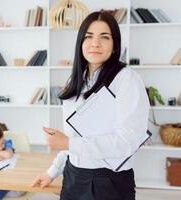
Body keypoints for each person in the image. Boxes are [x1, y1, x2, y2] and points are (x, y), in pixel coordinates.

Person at [31, 11, 150, 200]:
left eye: (104, 37)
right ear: (80, 42)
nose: (95, 43)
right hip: (73, 176)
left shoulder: (127, 79)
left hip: (109, 181)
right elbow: (72, 136)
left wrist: (68, 143)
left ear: (115, 44)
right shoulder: (76, 79)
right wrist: (52, 172)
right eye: (89, 36)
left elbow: (128, 141)